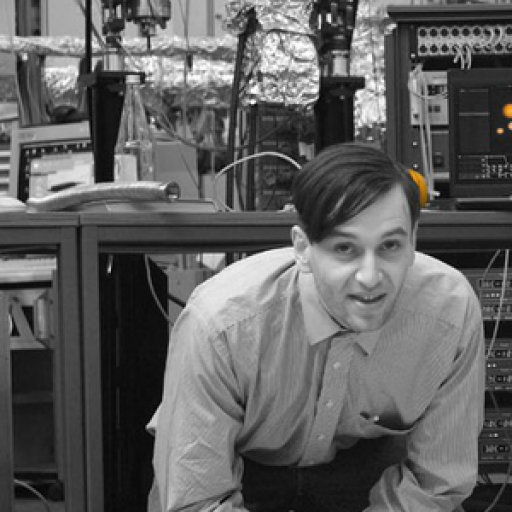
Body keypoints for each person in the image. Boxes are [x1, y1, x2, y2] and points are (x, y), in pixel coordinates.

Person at [147, 143, 485, 512]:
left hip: (372, 476)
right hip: (241, 470)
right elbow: (198, 499)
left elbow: (436, 482)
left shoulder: (449, 313)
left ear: (413, 239)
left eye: (390, 245)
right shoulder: (221, 324)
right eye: (345, 249)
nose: (370, 277)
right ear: (303, 248)